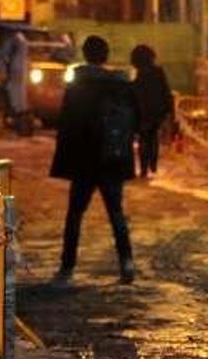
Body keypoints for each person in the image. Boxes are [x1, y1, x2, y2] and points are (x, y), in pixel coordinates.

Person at [50, 35, 139, 285]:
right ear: (106, 56)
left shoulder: (78, 85)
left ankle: (67, 267)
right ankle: (126, 263)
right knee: (116, 213)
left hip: (84, 161)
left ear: (86, 55)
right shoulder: (120, 85)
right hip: (112, 160)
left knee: (75, 215)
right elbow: (133, 121)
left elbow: (67, 124)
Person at [130, 44, 174, 178]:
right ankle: (152, 163)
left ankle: (144, 168)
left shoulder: (139, 75)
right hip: (157, 112)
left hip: (142, 113)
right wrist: (169, 109)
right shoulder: (158, 72)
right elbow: (166, 91)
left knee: (144, 139)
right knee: (153, 137)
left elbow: (135, 94)